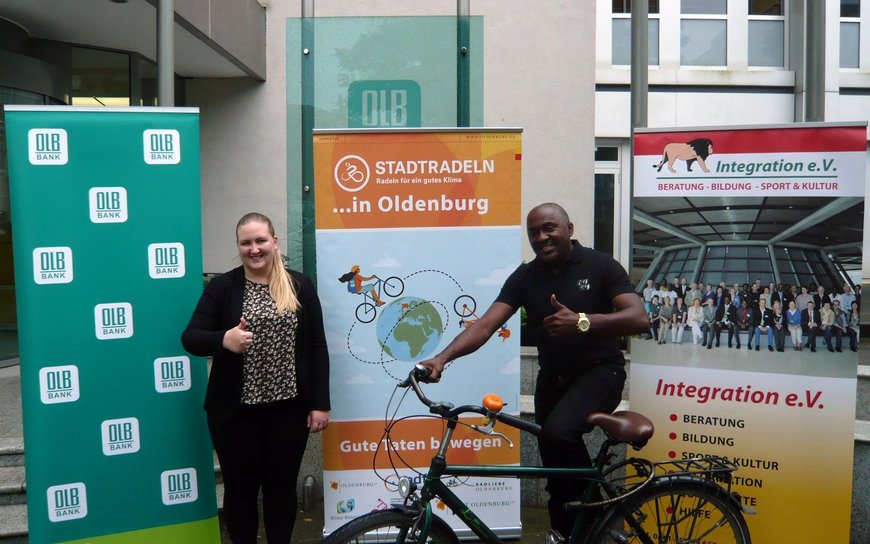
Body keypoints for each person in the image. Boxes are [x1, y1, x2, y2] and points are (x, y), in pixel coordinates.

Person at [419, 203, 647, 542]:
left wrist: (582, 321)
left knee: (557, 433)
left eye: (549, 228)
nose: (542, 237)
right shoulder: (526, 276)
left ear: (569, 229)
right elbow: (484, 325)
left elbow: (639, 318)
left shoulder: (600, 266)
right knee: (556, 478)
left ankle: (599, 513)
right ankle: (567, 535)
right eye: (534, 232)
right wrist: (441, 358)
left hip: (600, 373)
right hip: (551, 381)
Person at [181, 212, 330, 544]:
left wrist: (320, 403)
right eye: (246, 243)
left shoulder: (299, 285)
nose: (254, 249)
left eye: (261, 240)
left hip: (288, 412)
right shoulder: (223, 286)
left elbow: (317, 346)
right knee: (241, 491)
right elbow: (190, 337)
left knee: (280, 491)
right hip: (235, 415)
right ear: (239, 247)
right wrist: (224, 340)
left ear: (274, 242)